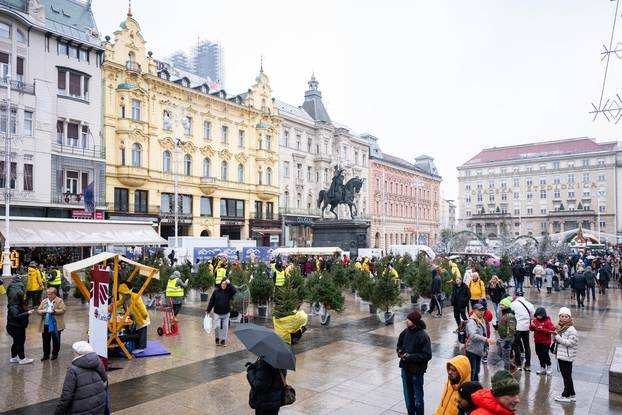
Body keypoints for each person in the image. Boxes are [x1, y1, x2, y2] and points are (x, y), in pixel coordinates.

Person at [55, 341, 107, 415]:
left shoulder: (72, 370)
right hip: (98, 407)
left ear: (78, 353)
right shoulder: (98, 361)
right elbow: (104, 380)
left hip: (80, 410)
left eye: (74, 352)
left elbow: (66, 396)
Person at [397, 310, 432, 415]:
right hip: (405, 369)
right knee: (408, 396)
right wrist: (399, 351)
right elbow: (399, 345)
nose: (407, 321)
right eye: (407, 319)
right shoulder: (405, 332)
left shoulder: (423, 336)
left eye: (409, 319)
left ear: (415, 321)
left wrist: (410, 357)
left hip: (417, 371)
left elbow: (427, 355)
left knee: (418, 397)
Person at [465, 303, 496, 381]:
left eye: (483, 310)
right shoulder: (472, 322)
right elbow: (473, 336)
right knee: (472, 371)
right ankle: (471, 387)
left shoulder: (481, 319)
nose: (482, 312)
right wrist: (486, 339)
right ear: (474, 311)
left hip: (478, 350)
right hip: (472, 351)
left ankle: (475, 385)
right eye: (479, 310)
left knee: (477, 371)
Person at [554, 307, 579, 403]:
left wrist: (557, 337)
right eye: (562, 316)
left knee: (566, 377)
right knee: (567, 376)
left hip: (567, 357)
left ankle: (566, 395)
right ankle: (572, 394)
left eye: (566, 316)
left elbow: (569, 343)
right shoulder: (560, 327)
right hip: (562, 355)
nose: (563, 318)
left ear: (569, 317)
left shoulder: (571, 329)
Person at [118, 283, 150, 354]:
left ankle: (141, 347)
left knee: (142, 332)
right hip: (135, 317)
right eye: (121, 294)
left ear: (126, 292)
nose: (122, 296)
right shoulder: (125, 297)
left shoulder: (134, 295)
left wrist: (144, 314)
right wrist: (113, 305)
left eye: (122, 294)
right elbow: (119, 303)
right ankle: (137, 345)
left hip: (142, 317)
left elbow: (140, 305)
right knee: (137, 331)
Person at [37, 287, 66, 361]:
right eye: (48, 294)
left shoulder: (59, 300)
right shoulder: (44, 301)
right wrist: (42, 311)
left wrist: (54, 311)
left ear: (54, 294)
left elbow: (63, 310)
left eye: (50, 294)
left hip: (55, 324)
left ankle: (55, 354)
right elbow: (38, 310)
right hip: (45, 324)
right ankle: (46, 355)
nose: (48, 295)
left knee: (56, 340)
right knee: (45, 340)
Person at [206, 278, 237, 346]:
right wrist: (208, 310)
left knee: (225, 327)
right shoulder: (216, 291)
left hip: (226, 313)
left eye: (225, 284)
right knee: (217, 326)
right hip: (217, 313)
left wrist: (229, 283)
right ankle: (217, 338)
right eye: (222, 283)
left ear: (227, 285)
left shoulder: (229, 291)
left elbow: (234, 290)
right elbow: (212, 301)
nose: (223, 285)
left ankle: (223, 340)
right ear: (220, 284)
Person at [7, 292, 34, 364]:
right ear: (20, 297)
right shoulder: (14, 306)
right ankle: (22, 359)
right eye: (24, 296)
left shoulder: (18, 304)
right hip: (16, 327)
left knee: (16, 342)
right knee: (20, 343)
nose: (25, 297)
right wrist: (27, 313)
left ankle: (14, 357)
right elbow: (16, 316)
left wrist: (27, 312)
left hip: (16, 327)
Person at [510, 295, 535, 371]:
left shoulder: (513, 304)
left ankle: (518, 364)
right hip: (526, 328)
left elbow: (511, 315)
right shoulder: (530, 304)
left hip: (517, 327)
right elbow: (533, 317)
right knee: (527, 346)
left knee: (516, 346)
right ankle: (527, 365)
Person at [529, 307, 554, 375]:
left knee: (545, 354)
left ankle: (549, 366)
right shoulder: (535, 320)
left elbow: (551, 331)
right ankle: (542, 367)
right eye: (537, 315)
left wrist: (542, 329)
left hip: (546, 342)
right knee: (539, 354)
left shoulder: (548, 321)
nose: (538, 316)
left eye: (540, 315)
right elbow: (531, 329)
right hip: (537, 341)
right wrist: (532, 326)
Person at [495, 297, 516, 372]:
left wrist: (507, 341)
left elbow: (511, 329)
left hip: (506, 338)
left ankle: (506, 372)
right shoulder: (503, 313)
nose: (500, 306)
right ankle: (511, 365)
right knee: (499, 353)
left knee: (506, 356)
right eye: (500, 304)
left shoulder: (510, 316)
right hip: (501, 337)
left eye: (502, 305)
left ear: (507, 306)